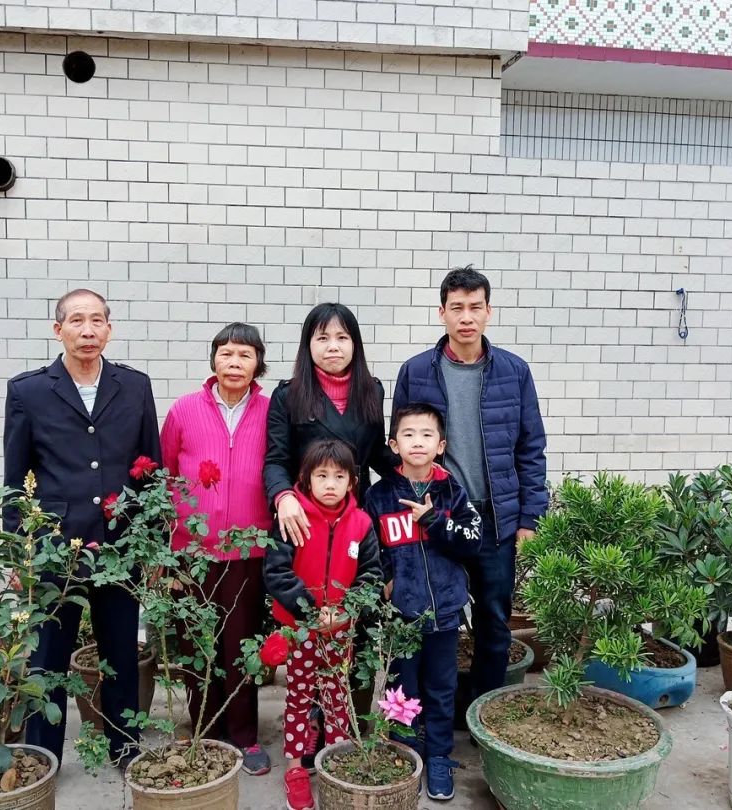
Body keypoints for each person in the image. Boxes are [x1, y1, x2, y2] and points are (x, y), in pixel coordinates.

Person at [3, 288, 160, 766]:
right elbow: (15, 480)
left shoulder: (134, 386)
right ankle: (41, 753)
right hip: (55, 547)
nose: (87, 330)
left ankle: (124, 746)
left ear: (109, 329)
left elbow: (150, 468)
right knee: (47, 656)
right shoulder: (28, 391)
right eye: (76, 320)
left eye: (96, 321)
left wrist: (151, 542)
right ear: (59, 330)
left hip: (120, 543)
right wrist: (19, 551)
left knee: (120, 653)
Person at [392, 266, 548, 700]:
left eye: (475, 307)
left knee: (493, 619)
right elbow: (400, 447)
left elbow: (531, 449)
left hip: (495, 518)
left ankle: (485, 708)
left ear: (488, 312)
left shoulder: (514, 372)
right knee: (429, 614)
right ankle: (427, 712)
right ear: (441, 312)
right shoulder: (416, 371)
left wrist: (530, 519)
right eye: (456, 307)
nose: (466, 317)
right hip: (435, 514)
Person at [159, 322, 274, 776]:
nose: (234, 362)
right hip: (193, 551)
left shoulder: (271, 411)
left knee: (242, 646)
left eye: (245, 355)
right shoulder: (185, 409)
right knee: (196, 643)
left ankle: (244, 735)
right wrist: (167, 550)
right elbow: (165, 476)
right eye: (226, 353)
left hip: (249, 552)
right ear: (213, 360)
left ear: (258, 364)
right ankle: (205, 730)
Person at [363, 404, 482, 801]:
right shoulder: (380, 495)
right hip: (403, 615)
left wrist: (434, 521)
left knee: (442, 687)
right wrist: (385, 580)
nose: (418, 442)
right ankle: (405, 753)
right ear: (394, 444)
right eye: (409, 434)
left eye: (427, 435)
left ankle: (439, 757)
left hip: (445, 612)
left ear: (441, 445)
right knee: (402, 687)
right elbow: (368, 548)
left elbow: (472, 541)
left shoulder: (452, 491)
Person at [263, 440, 383, 810]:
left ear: (352, 482)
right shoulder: (293, 518)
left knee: (337, 698)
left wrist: (345, 609)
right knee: (299, 696)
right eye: (322, 476)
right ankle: (296, 769)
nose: (330, 484)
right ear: (306, 479)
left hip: (339, 631)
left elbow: (371, 576)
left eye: (339, 476)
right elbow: (277, 573)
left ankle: (334, 763)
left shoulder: (361, 524)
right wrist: (310, 609)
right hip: (300, 630)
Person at [264, 302, 394, 548]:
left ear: (355, 344)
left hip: (357, 512)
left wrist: (415, 470)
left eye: (342, 337)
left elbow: (376, 452)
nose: (333, 346)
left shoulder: (372, 391)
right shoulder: (288, 395)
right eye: (322, 338)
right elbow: (276, 460)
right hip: (305, 514)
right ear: (308, 344)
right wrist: (283, 497)